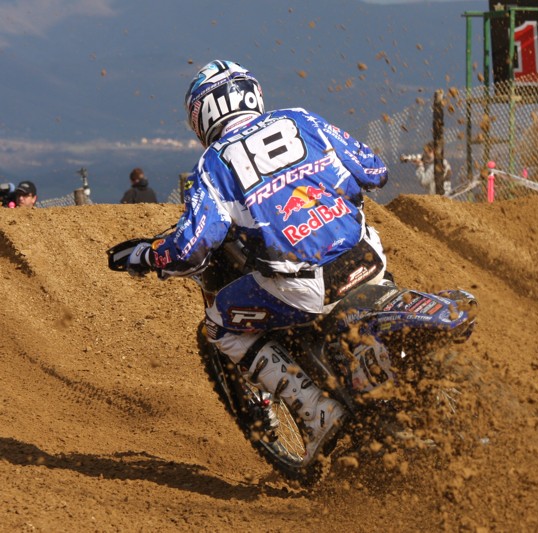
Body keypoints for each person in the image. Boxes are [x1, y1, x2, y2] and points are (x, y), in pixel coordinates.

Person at [125, 59, 389, 465]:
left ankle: (318, 414)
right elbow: (375, 170)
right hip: (368, 257)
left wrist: (145, 254)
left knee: (218, 324)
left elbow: (190, 249)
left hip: (305, 286)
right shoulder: (301, 118)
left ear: (200, 116)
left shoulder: (214, 162)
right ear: (253, 94)